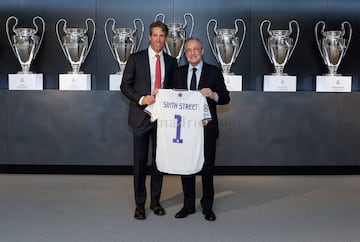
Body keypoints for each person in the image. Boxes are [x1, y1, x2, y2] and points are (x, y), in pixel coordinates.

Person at [120, 21, 177, 220]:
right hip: (141, 116)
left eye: (162, 36)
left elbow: (174, 90)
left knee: (158, 162)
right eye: (155, 35)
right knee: (140, 162)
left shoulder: (172, 62)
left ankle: (155, 201)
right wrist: (143, 99)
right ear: (149, 37)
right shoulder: (135, 59)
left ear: (166, 38)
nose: (158, 39)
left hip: (162, 118)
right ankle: (139, 204)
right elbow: (125, 86)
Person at [172, 37, 230, 221]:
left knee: (207, 169)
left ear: (202, 51)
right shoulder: (178, 72)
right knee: (186, 168)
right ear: (185, 53)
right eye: (188, 50)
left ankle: (207, 207)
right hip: (186, 129)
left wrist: (213, 94)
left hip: (207, 129)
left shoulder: (213, 72)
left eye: (196, 49)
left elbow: (226, 97)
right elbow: (172, 98)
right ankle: (188, 205)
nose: (192, 53)